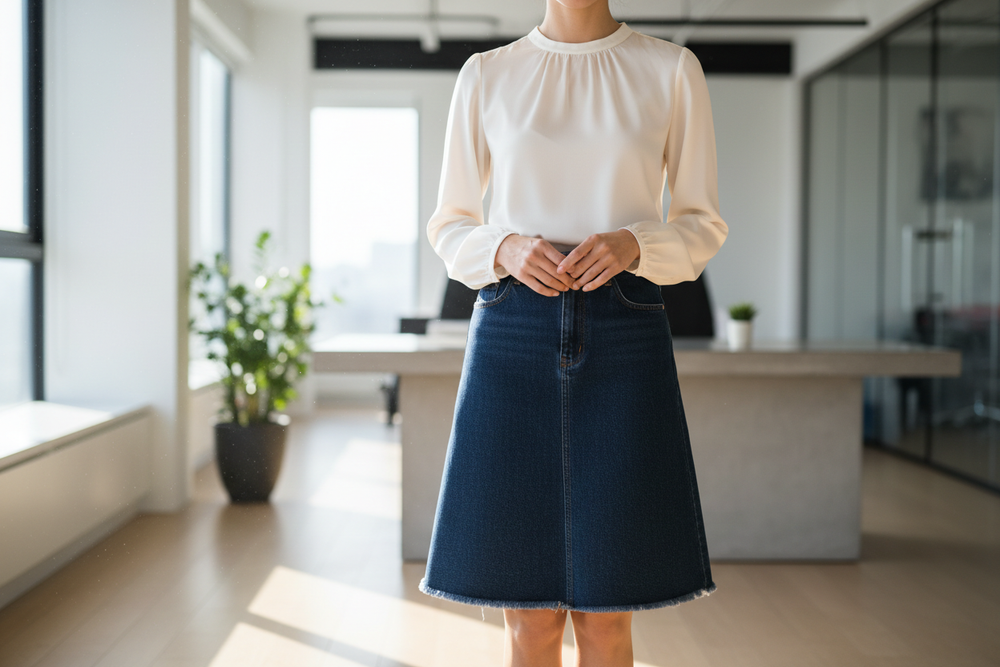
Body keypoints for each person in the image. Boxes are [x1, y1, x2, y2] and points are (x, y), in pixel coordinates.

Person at [420, 1, 728, 664]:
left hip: (626, 333)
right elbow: (448, 224)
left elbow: (704, 224)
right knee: (527, 619)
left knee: (605, 618)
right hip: (512, 336)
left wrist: (635, 243)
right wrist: (503, 247)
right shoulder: (486, 74)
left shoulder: (672, 69)